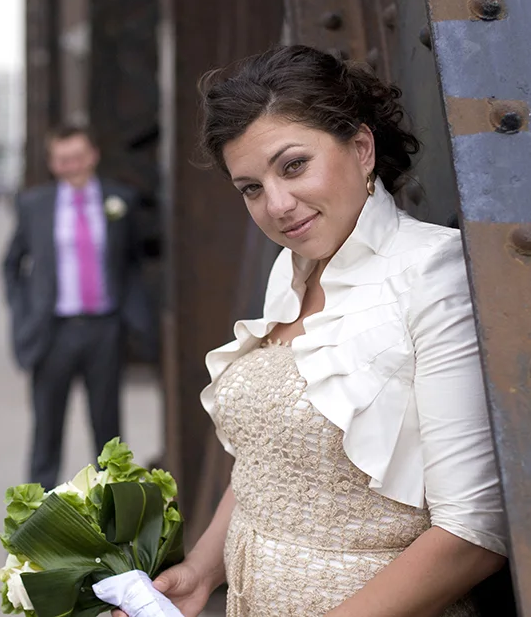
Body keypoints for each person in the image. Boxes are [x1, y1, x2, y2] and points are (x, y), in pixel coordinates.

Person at [115, 45, 508, 617]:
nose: (277, 205)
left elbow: (473, 534)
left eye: (293, 165)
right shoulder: (295, 268)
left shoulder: (432, 273)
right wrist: (201, 571)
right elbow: (275, 462)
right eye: (250, 187)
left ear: (361, 147)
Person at [2, 124, 151, 490]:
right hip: (53, 330)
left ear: (93, 155)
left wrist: (131, 314)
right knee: (46, 430)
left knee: (109, 432)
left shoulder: (120, 201)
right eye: (64, 159)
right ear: (53, 163)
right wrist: (23, 312)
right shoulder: (34, 204)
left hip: (105, 328)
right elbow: (11, 264)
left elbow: (135, 258)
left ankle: (114, 515)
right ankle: (36, 521)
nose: (73, 165)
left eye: (79, 156)